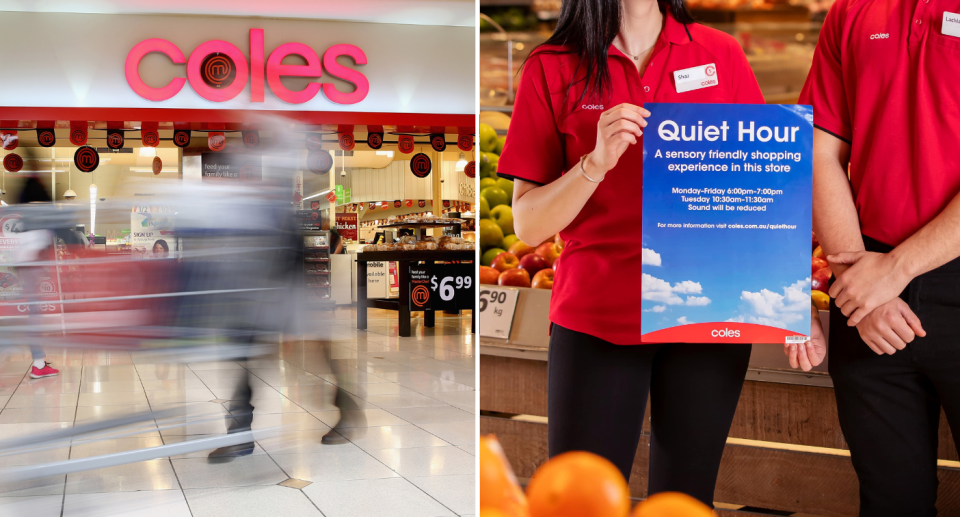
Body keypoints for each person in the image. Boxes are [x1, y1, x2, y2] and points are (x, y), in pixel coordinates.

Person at [496, 0, 763, 506]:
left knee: (685, 501)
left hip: (706, 311)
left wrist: (790, 306)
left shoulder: (719, 53)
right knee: (582, 503)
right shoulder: (552, 66)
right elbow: (529, 224)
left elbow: (762, 189)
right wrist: (593, 164)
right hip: (597, 316)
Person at [790, 0, 960, 513]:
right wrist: (857, 279)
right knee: (890, 501)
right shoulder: (852, 10)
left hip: (897, 276)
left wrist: (895, 270)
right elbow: (819, 150)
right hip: (865, 293)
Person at [17, 176, 59, 379]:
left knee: (35, 314)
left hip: (27, 266)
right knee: (35, 315)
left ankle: (39, 361)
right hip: (31, 266)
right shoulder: (38, 214)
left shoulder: (24, 216)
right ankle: (38, 364)